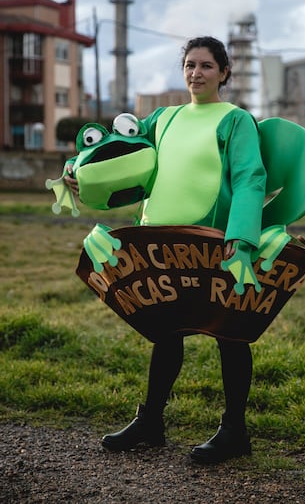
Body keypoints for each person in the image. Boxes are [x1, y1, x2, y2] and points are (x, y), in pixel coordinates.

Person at [65, 36, 267, 464]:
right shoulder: (165, 118)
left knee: (229, 332)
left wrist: (241, 238)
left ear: (224, 72)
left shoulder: (235, 120)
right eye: (190, 65)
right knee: (167, 329)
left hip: (214, 242)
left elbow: (250, 178)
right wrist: (77, 172)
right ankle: (151, 422)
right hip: (159, 241)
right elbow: (121, 152)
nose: (197, 73)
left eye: (207, 66)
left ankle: (235, 431)